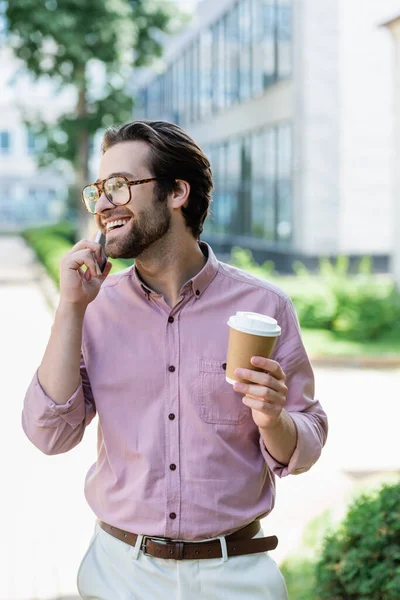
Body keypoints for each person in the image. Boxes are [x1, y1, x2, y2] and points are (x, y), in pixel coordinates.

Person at [22, 120, 328, 600]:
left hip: (237, 575)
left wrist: (272, 418)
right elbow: (48, 433)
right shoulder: (92, 306)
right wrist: (70, 307)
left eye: (119, 187)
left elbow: (307, 440)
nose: (103, 205)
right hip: (119, 574)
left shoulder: (265, 307)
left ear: (177, 192)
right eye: (98, 190)